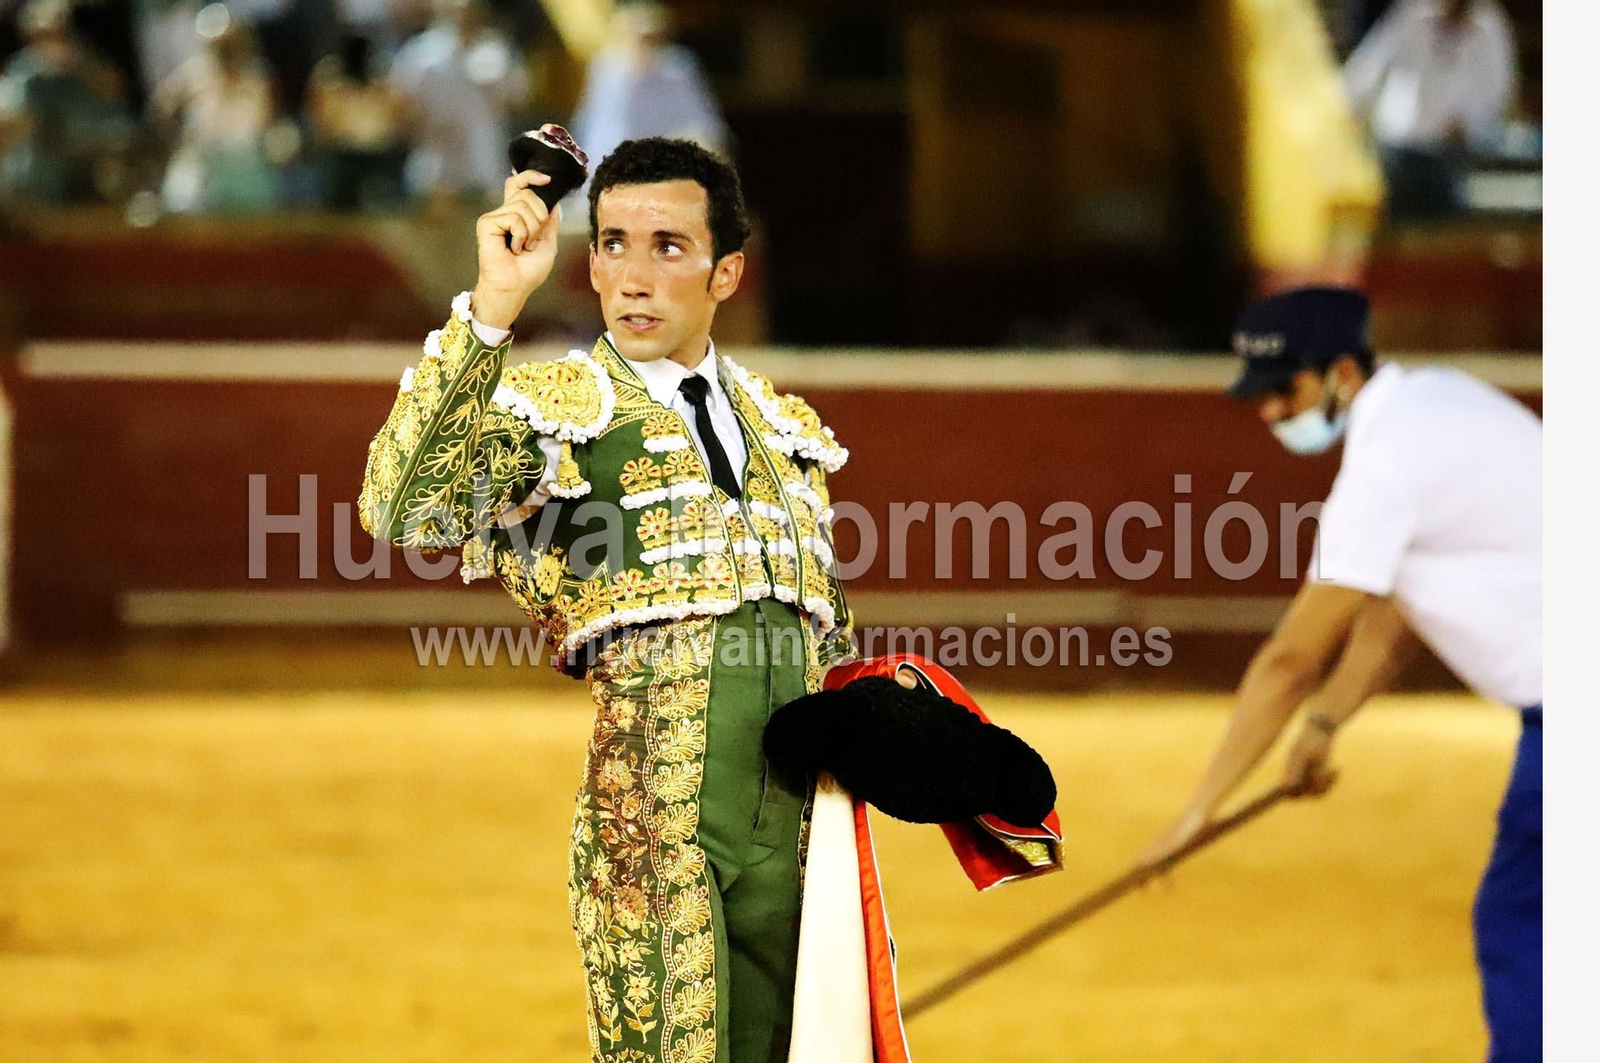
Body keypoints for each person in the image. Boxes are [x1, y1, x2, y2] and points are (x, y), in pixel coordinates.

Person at [357, 137, 855, 1063]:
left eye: (667, 247)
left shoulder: (789, 432)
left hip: (800, 847)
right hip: (655, 842)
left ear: (726, 272)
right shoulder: (562, 408)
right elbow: (405, 503)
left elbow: (827, 641)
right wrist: (495, 304)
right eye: (613, 243)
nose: (633, 273)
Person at [1142, 286, 1541, 1062]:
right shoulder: (1441, 402)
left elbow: (1292, 659)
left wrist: (1198, 812)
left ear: (1345, 374)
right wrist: (1325, 723)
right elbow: (1392, 617)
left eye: (1283, 389)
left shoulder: (1384, 465)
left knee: (1521, 923)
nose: (1269, 413)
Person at [1342, 0, 1517, 219]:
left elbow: (1499, 94)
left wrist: (1470, 126)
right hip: (1398, 154)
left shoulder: (1490, 26)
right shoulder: (1410, 16)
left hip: (1455, 158)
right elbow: (1364, 74)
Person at [568, 2, 725, 221]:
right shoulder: (608, 69)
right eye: (638, 37)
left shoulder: (679, 69)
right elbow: (596, 131)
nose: (644, 45)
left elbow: (706, 129)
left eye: (651, 38)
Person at [387, 0, 526, 210]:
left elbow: (518, 102)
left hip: (485, 167)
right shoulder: (420, 54)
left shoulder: (497, 51)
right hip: (435, 169)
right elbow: (398, 109)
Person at [0, 0, 131, 203]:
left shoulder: (89, 68)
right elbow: (13, 124)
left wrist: (82, 67)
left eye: (60, 32)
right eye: (44, 35)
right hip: (39, 175)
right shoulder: (22, 75)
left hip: (85, 169)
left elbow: (114, 100)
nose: (53, 41)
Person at [151, 5, 277, 212]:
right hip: (201, 166)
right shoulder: (195, 75)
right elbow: (162, 109)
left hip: (246, 171)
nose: (229, 50)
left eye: (234, 43)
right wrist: (178, 144)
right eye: (222, 44)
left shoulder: (258, 80)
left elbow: (268, 124)